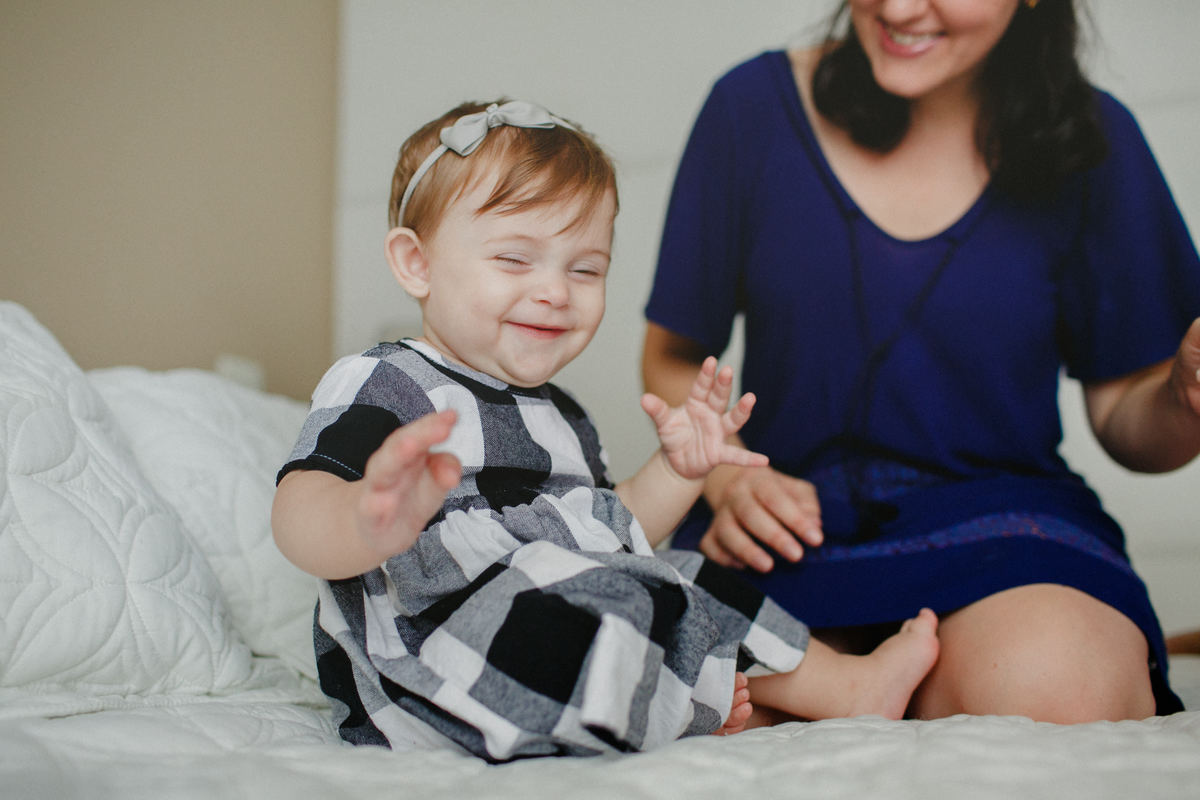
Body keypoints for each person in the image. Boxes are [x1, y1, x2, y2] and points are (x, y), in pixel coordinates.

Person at [272, 99, 941, 762]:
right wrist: (365, 522)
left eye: (585, 268)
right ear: (416, 263)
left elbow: (615, 528)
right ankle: (686, 704)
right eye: (514, 259)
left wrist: (682, 470)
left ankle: (846, 688)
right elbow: (300, 508)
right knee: (595, 607)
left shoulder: (562, 414)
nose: (556, 291)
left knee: (684, 573)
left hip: (565, 614)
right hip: (438, 666)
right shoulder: (386, 380)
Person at [643, 0, 1200, 724]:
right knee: (655, 684)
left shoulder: (1096, 140)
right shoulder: (748, 107)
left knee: (1060, 690)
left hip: (1001, 530)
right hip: (782, 535)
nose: (901, 8)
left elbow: (1127, 410)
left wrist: (1185, 398)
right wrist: (726, 477)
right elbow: (672, 359)